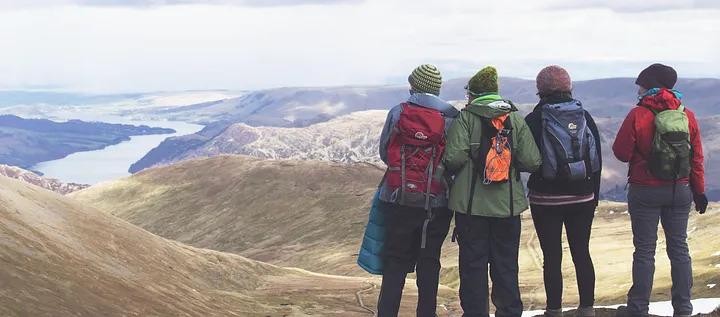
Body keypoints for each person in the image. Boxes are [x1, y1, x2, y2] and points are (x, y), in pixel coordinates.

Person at [444, 66, 542, 317]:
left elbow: (452, 158)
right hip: (507, 208)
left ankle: (475, 313)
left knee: (473, 266)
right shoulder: (515, 119)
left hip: (471, 208)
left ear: (473, 94)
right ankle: (509, 312)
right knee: (506, 265)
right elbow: (532, 161)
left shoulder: (466, 119)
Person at [613, 63, 708, 317]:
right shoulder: (686, 114)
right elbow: (696, 157)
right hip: (680, 188)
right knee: (679, 248)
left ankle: (638, 308)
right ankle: (684, 308)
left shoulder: (638, 113)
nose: (639, 89)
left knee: (645, 250)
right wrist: (699, 191)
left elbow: (621, 153)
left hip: (645, 189)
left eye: (641, 85)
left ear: (649, 85)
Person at [376, 64, 459, 317]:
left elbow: (384, 152)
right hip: (436, 202)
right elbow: (455, 160)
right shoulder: (452, 117)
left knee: (395, 262)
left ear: (413, 85)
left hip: (398, 199)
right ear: (437, 88)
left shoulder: (398, 112)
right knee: (429, 260)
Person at [525, 65, 602, 317]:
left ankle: (554, 310)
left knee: (551, 254)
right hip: (583, 196)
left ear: (540, 90)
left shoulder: (534, 120)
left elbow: (527, 160)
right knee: (581, 251)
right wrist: (594, 196)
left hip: (545, 199)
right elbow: (596, 159)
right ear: (569, 87)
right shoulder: (584, 116)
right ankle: (587, 308)